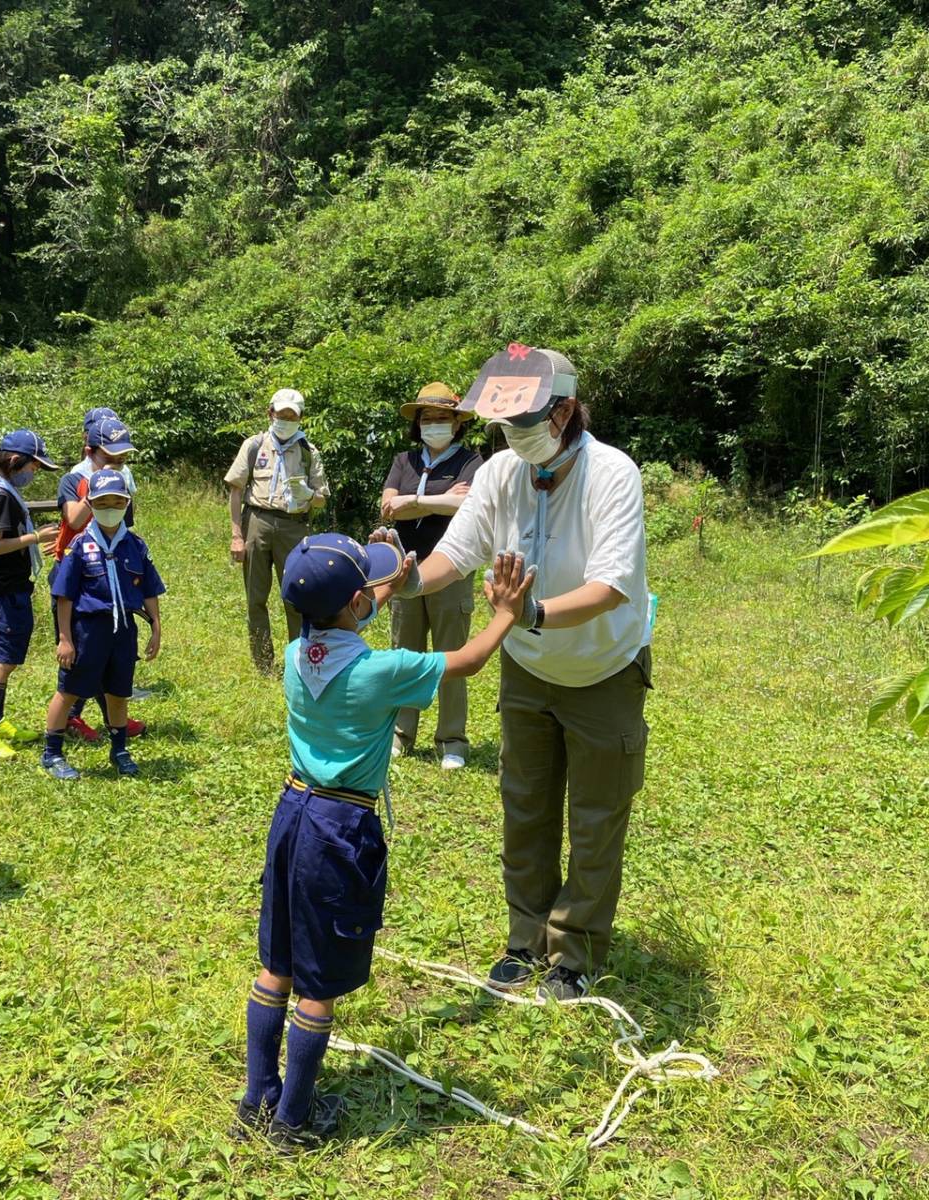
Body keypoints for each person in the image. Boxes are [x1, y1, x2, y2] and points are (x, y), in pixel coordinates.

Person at [235, 534, 531, 1149]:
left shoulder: (295, 655)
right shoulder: (381, 670)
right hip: (339, 831)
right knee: (319, 984)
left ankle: (258, 1098)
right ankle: (293, 1121)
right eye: (365, 590)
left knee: (277, 965)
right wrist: (506, 611)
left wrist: (386, 584)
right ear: (352, 603)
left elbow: (343, 613)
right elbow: (468, 660)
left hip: (291, 816)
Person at [379, 345, 651, 1002]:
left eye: (523, 421)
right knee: (524, 807)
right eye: (503, 424)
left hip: (602, 669)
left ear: (563, 410)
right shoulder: (502, 471)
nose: (512, 435)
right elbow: (456, 554)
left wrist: (530, 612)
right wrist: (407, 578)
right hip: (527, 671)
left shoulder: (612, 474)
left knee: (594, 816)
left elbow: (611, 586)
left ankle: (575, 953)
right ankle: (526, 939)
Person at [380, 382, 482, 769]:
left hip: (452, 570)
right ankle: (401, 734)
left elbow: (469, 506)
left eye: (443, 417)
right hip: (403, 569)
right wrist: (444, 501)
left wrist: (417, 501)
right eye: (427, 418)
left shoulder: (472, 462)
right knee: (404, 655)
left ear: (457, 423)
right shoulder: (404, 461)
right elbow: (387, 507)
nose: (434, 424)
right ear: (417, 424)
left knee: (450, 657)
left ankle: (451, 739)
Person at [42, 469, 163, 781]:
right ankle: (52, 752)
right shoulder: (80, 547)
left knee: (118, 692)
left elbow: (149, 589)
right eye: (102, 501)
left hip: (123, 631)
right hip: (87, 631)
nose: (110, 507)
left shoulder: (136, 546)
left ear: (127, 502)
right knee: (69, 691)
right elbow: (65, 596)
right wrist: (66, 638)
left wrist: (156, 627)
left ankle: (119, 749)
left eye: (117, 501)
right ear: (91, 504)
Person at [53, 413, 145, 743]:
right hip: (78, 571)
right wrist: (97, 489)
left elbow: (124, 524)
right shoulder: (73, 479)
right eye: (111, 458)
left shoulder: (122, 477)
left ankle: (113, 719)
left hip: (111, 571)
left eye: (122, 459)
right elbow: (75, 519)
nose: (118, 464)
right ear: (90, 451)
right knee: (77, 650)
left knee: (112, 647)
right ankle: (69, 719)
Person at [0, 430, 60, 759]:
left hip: (14, 587)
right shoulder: (0, 495)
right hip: (3, 590)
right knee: (3, 661)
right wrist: (34, 538)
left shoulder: (5, 491)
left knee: (6, 659)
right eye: (33, 467)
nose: (33, 474)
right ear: (14, 461)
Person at [225, 389, 329, 673]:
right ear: (270, 413)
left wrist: (309, 494)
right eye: (280, 414)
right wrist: (237, 535)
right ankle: (263, 664)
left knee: (297, 596)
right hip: (257, 522)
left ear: (300, 418)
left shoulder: (309, 452)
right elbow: (236, 490)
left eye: (291, 416)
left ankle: (300, 660)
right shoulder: (254, 445)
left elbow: (321, 497)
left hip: (294, 527)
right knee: (255, 598)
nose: (285, 420)